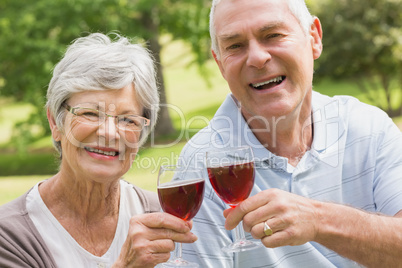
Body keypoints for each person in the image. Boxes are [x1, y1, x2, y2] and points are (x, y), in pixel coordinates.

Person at [178, 0, 402, 267]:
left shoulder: (369, 127)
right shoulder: (202, 166)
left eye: (273, 35)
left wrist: (318, 220)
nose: (257, 57)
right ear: (220, 63)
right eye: (235, 46)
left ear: (314, 38)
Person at [0, 33, 197, 268]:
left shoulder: (165, 218)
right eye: (90, 114)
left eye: (127, 119)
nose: (109, 133)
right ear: (55, 122)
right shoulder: (11, 235)